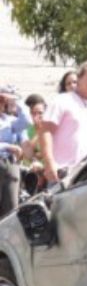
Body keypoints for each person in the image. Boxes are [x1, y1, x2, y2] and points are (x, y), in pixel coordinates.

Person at [40, 61, 87, 183]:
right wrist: (49, 163)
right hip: (62, 174)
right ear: (79, 79)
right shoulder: (62, 100)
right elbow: (46, 131)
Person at [0, 86, 31, 216]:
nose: (2, 103)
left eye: (3, 100)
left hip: (10, 165)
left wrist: (16, 100)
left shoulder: (10, 121)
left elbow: (26, 121)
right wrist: (7, 146)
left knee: (11, 209)